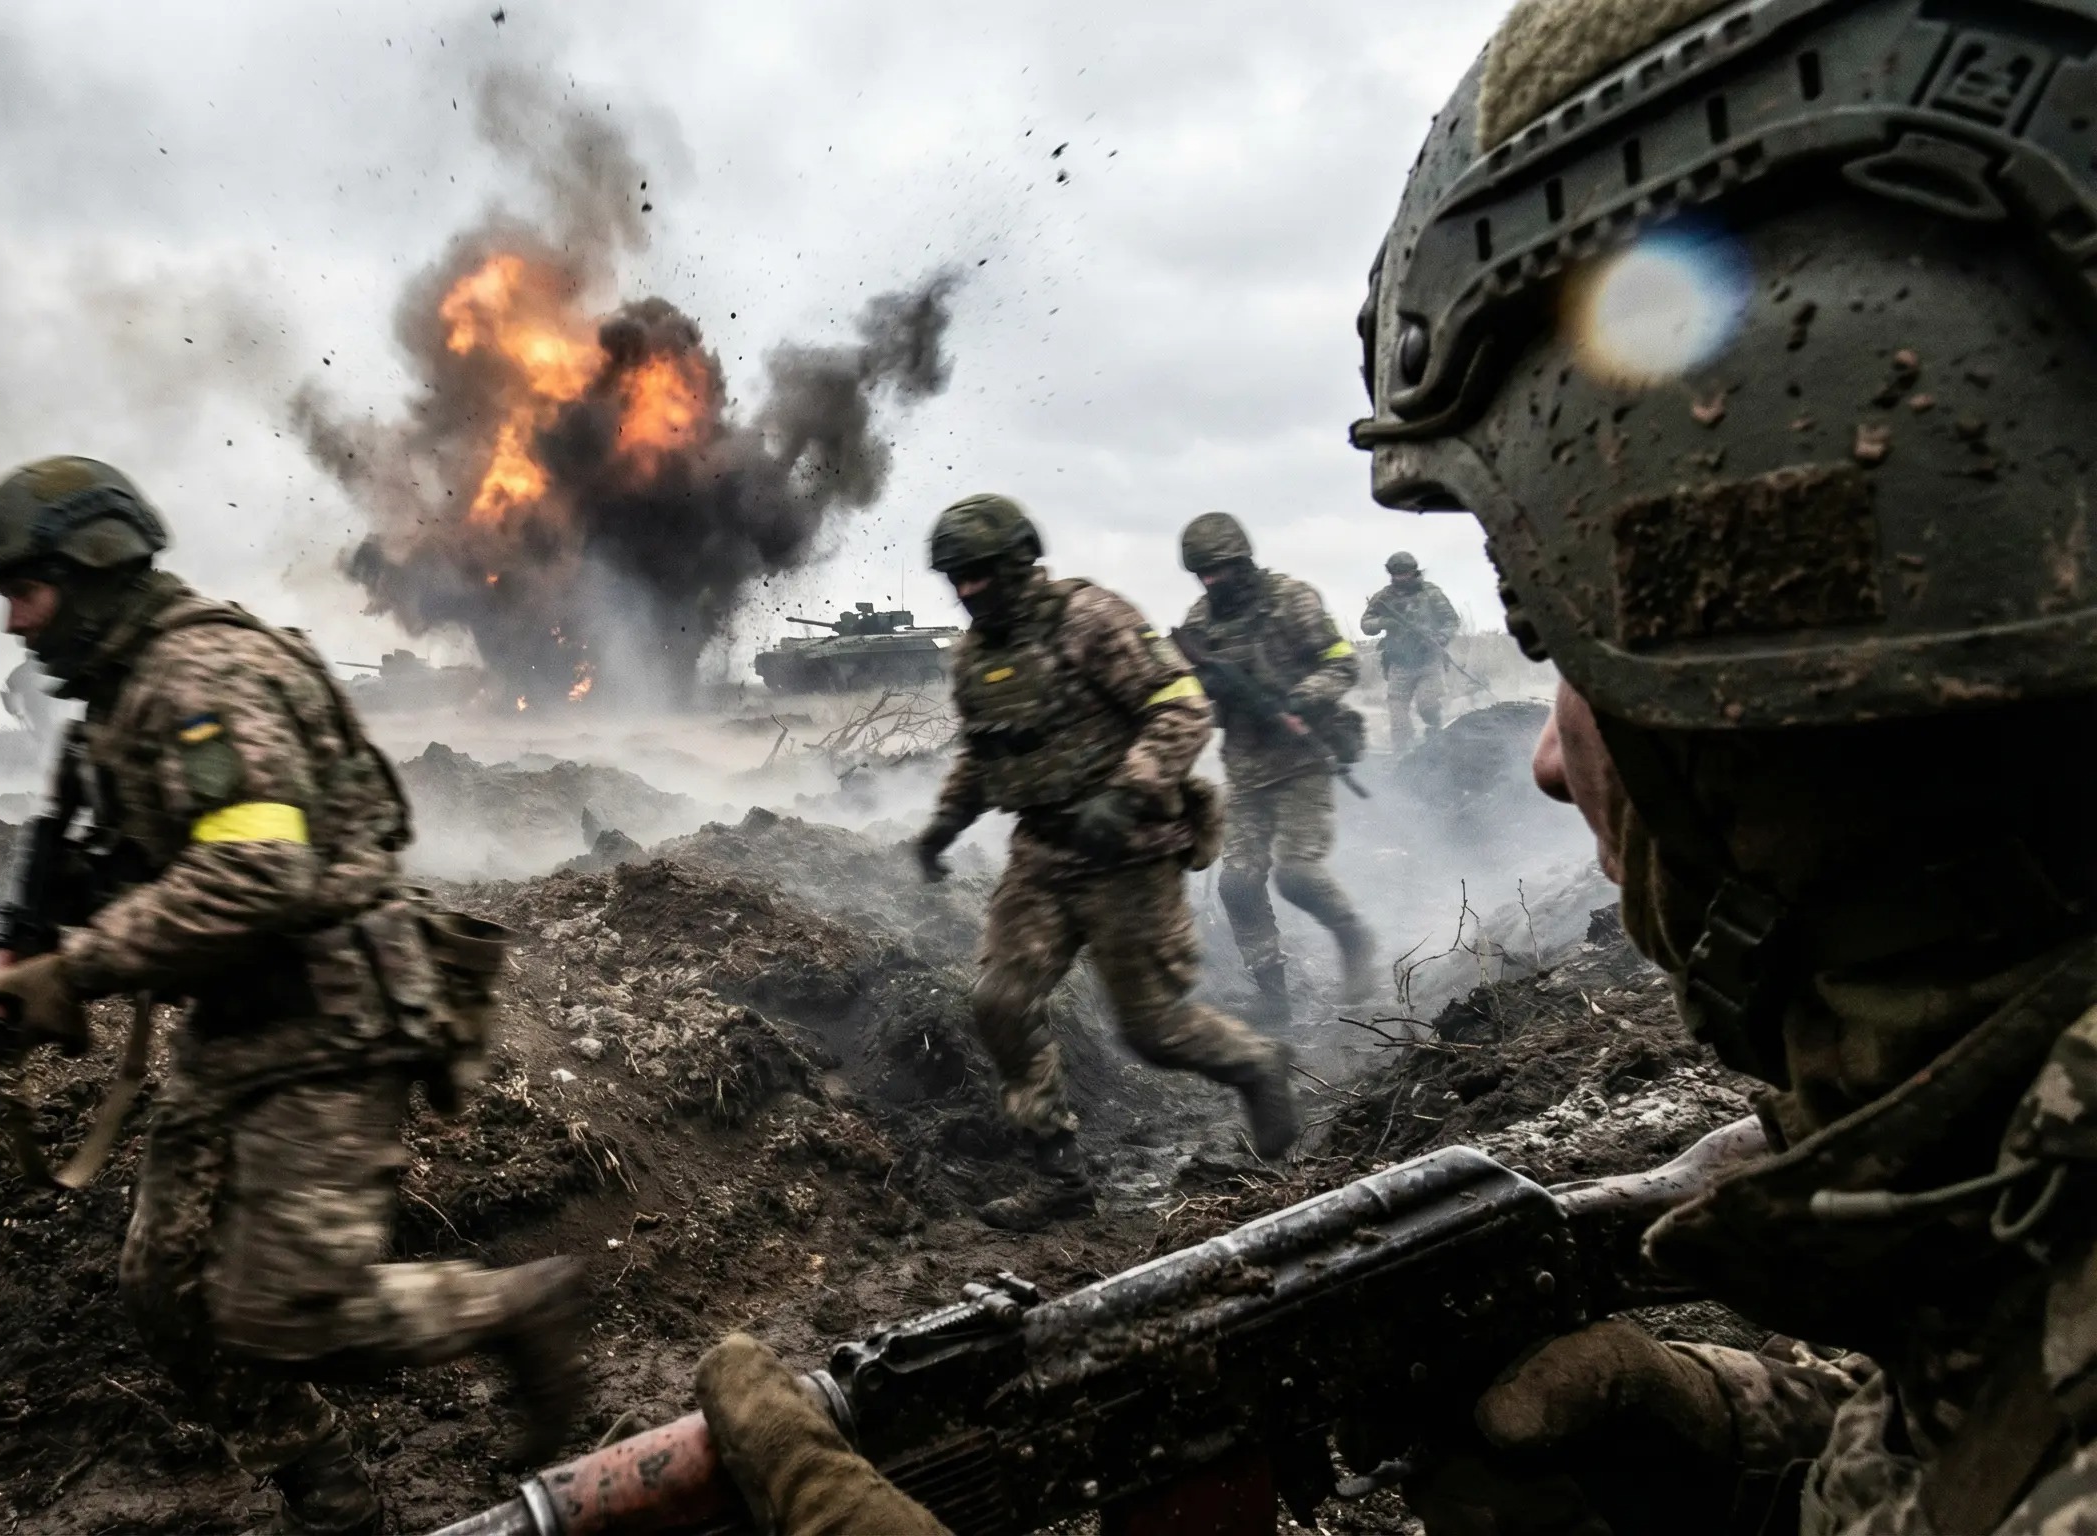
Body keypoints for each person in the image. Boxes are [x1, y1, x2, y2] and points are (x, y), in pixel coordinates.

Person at [695, 0, 2097, 1526]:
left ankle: (1269, 1049)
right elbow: (1968, 1431)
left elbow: (1203, 701)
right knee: (1058, 977)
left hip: (1181, 813)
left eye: (1570, 639)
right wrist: (1727, 1445)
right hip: (1077, 840)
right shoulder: (2022, 1216)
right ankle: (1133, 1097)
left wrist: (1187, 765)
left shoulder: (1141, 619)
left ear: (1798, 668)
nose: (1552, 759)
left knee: (1210, 970)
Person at [0, 456, 587, 1534]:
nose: (14, 621)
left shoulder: (203, 677)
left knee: (286, 1315)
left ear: (93, 567)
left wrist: (82, 967)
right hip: (239, 1020)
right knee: (166, 1294)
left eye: (27, 590)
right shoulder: (125, 695)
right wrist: (40, 957)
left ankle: (517, 1309)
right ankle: (328, 1491)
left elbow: (257, 873)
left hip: (335, 1014)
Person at [912, 492, 1296, 1231]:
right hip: (1042, 855)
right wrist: (944, 825)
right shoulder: (974, 656)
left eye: (980, 572)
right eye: (956, 578)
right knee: (999, 1002)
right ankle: (1059, 1177)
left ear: (1019, 558)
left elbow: (1181, 705)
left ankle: (1255, 1064)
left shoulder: (1091, 619)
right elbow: (984, 754)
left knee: (1151, 1029)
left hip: (1130, 854)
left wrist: (1127, 792)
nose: (968, 590)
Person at [1177, 512, 1377, 1026]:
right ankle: (1274, 997)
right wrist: (1208, 691)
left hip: (1304, 761)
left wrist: (1302, 698)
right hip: (1247, 772)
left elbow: (1342, 661)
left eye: (1220, 570)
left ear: (1243, 560)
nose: (1212, 581)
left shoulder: (1291, 599)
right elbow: (1186, 691)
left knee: (1297, 875)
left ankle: (1354, 939)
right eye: (1202, 574)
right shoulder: (1200, 621)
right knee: (1237, 885)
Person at [1359, 551, 1460, 749]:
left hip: (1429, 660)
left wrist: (1440, 637)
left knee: (1428, 705)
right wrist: (1385, 622)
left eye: (1405, 573)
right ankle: (1402, 756)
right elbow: (1366, 624)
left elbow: (1452, 620)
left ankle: (1435, 734)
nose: (1401, 578)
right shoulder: (1383, 597)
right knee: (1398, 719)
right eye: (1397, 574)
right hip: (1399, 664)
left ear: (1414, 571)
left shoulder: (1431, 593)